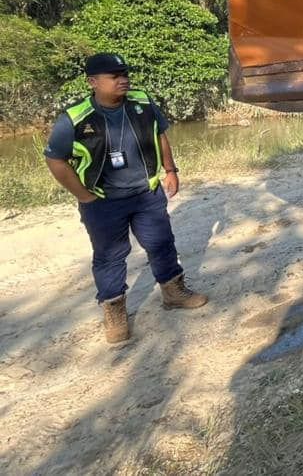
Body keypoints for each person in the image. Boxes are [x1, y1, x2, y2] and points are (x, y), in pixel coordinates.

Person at [43, 52, 208, 344]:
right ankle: (114, 310)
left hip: (146, 193)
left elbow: (160, 135)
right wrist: (84, 196)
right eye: (114, 76)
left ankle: (173, 292)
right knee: (110, 257)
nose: (123, 80)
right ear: (93, 82)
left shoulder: (141, 103)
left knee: (161, 243)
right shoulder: (75, 118)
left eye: (125, 74)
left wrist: (170, 170)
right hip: (102, 200)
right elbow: (55, 159)